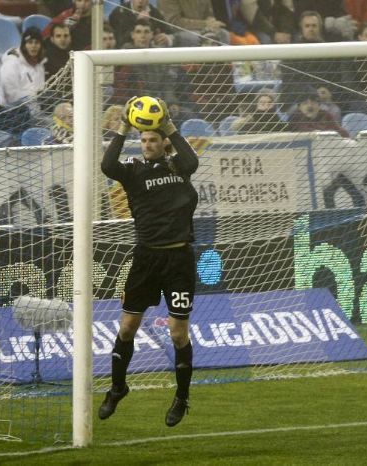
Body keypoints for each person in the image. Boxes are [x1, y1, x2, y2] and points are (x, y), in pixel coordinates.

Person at [99, 98, 199, 427]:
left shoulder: (178, 167)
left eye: (153, 139)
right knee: (127, 327)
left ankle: (181, 398)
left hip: (179, 259)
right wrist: (124, 126)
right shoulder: (131, 171)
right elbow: (106, 166)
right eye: (143, 140)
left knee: (177, 333)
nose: (147, 144)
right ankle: (117, 387)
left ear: (164, 143)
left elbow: (192, 160)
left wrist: (168, 123)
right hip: (145, 258)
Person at [0, 27, 46, 107]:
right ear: (24, 45)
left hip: (34, 110)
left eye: (37, 42)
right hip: (12, 111)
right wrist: (35, 96)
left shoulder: (39, 65)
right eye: (30, 42)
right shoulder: (12, 63)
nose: (33, 46)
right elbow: (10, 95)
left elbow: (39, 89)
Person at [158, 0, 230, 46]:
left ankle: (224, 67)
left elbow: (209, 14)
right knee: (194, 37)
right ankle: (203, 68)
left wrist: (212, 22)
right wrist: (205, 24)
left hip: (201, 30)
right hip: (177, 32)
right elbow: (173, 23)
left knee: (223, 34)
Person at [109, 0, 175, 48]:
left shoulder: (154, 12)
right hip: (128, 51)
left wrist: (167, 38)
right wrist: (138, 21)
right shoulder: (119, 13)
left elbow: (170, 33)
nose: (140, 1)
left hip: (150, 51)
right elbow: (119, 41)